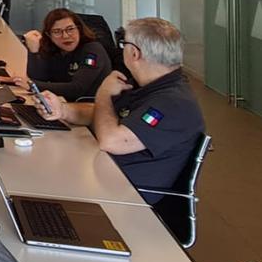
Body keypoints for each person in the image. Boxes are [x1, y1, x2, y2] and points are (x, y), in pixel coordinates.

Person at [39, 17, 204, 202]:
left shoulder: (173, 103)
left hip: (125, 195)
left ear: (134, 53)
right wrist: (63, 110)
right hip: (104, 175)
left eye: (123, 44)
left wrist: (103, 95)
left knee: (39, 178)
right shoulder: (144, 84)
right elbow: (106, 116)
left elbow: (111, 141)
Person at [9, 8, 111, 101]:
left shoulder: (92, 50)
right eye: (57, 31)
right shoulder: (56, 50)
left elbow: (77, 89)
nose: (65, 36)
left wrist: (32, 85)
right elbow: (40, 78)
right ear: (49, 35)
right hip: (63, 104)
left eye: (70, 29)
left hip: (90, 108)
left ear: (79, 29)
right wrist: (34, 52)